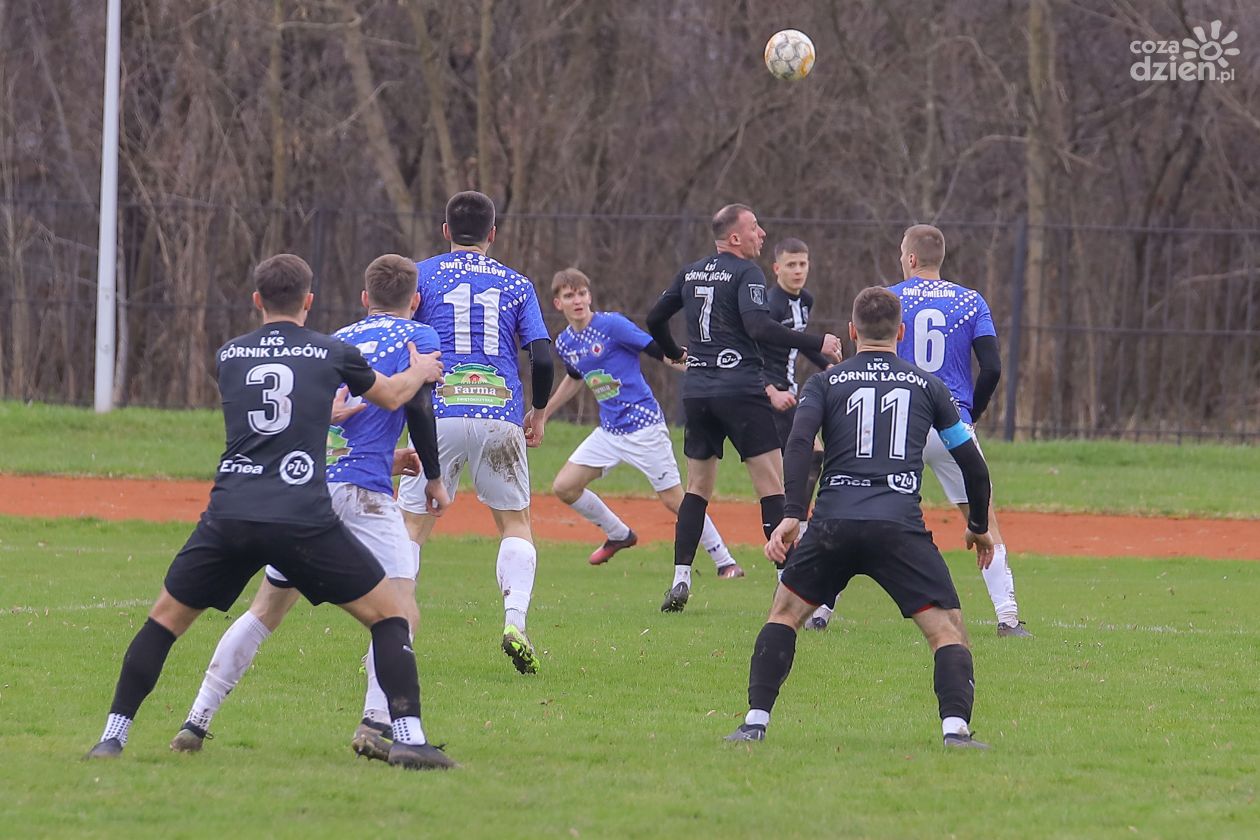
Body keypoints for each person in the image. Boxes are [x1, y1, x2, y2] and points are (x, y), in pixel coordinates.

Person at [85, 254, 454, 769]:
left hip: (233, 510)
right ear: (309, 300)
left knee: (168, 621)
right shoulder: (329, 351)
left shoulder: (229, 355)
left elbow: (278, 424)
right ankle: (403, 735)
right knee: (393, 615)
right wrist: (419, 371)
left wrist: (331, 418)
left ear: (257, 299)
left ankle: (118, 736)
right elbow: (394, 397)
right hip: (303, 514)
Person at [726, 286, 994, 749]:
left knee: (784, 614)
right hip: (898, 527)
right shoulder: (929, 386)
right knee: (947, 631)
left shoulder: (825, 383)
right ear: (901, 332)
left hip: (833, 524)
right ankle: (955, 731)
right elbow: (972, 464)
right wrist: (978, 527)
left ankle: (754, 723)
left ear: (852, 332)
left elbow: (799, 444)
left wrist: (793, 514)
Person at [646, 204, 842, 612]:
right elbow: (758, 327)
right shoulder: (747, 273)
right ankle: (786, 584)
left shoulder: (691, 272)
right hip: (740, 390)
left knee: (697, 489)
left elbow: (654, 317)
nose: (762, 233)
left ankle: (681, 578)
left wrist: (674, 352)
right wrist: (817, 342)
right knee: (771, 487)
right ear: (735, 237)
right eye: (754, 227)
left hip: (698, 392)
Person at [396, 191, 554, 674]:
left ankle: (391, 640)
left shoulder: (419, 276)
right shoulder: (517, 284)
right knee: (515, 525)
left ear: (446, 231)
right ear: (493, 234)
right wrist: (539, 411)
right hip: (498, 415)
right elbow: (542, 356)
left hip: (436, 414)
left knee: (411, 530)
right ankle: (514, 621)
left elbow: (398, 339)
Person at [545, 267, 743, 576]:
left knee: (676, 501)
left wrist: (702, 370)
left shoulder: (611, 325)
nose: (578, 300)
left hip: (644, 428)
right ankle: (619, 534)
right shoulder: (565, 342)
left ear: (590, 296)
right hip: (609, 432)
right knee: (565, 487)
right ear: (558, 303)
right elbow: (574, 377)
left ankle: (725, 561)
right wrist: (543, 413)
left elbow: (658, 350)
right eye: (569, 296)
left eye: (582, 293)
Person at [891, 224, 1027, 636]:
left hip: (901, 421)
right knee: (983, 517)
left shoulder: (891, 298)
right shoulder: (970, 301)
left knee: (861, 509)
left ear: (911, 258)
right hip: (951, 424)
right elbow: (993, 367)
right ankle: (1007, 617)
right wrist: (973, 411)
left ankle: (822, 610)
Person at [763, 237, 834, 448]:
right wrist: (771, 391)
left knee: (809, 454)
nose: (798, 271)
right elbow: (751, 353)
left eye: (802, 264)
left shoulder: (806, 300)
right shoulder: (771, 305)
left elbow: (798, 339)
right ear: (777, 269)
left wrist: (826, 365)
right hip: (771, 390)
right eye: (791, 265)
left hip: (789, 388)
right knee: (808, 452)